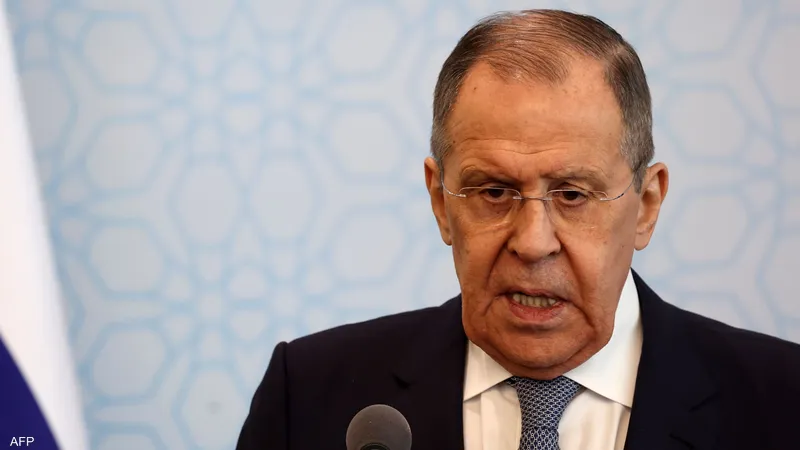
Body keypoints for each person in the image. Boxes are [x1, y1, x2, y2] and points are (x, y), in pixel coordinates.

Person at [236, 9, 800, 450]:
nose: (532, 243)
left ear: (647, 205)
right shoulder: (309, 397)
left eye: (573, 195)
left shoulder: (782, 401)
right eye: (493, 192)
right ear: (440, 201)